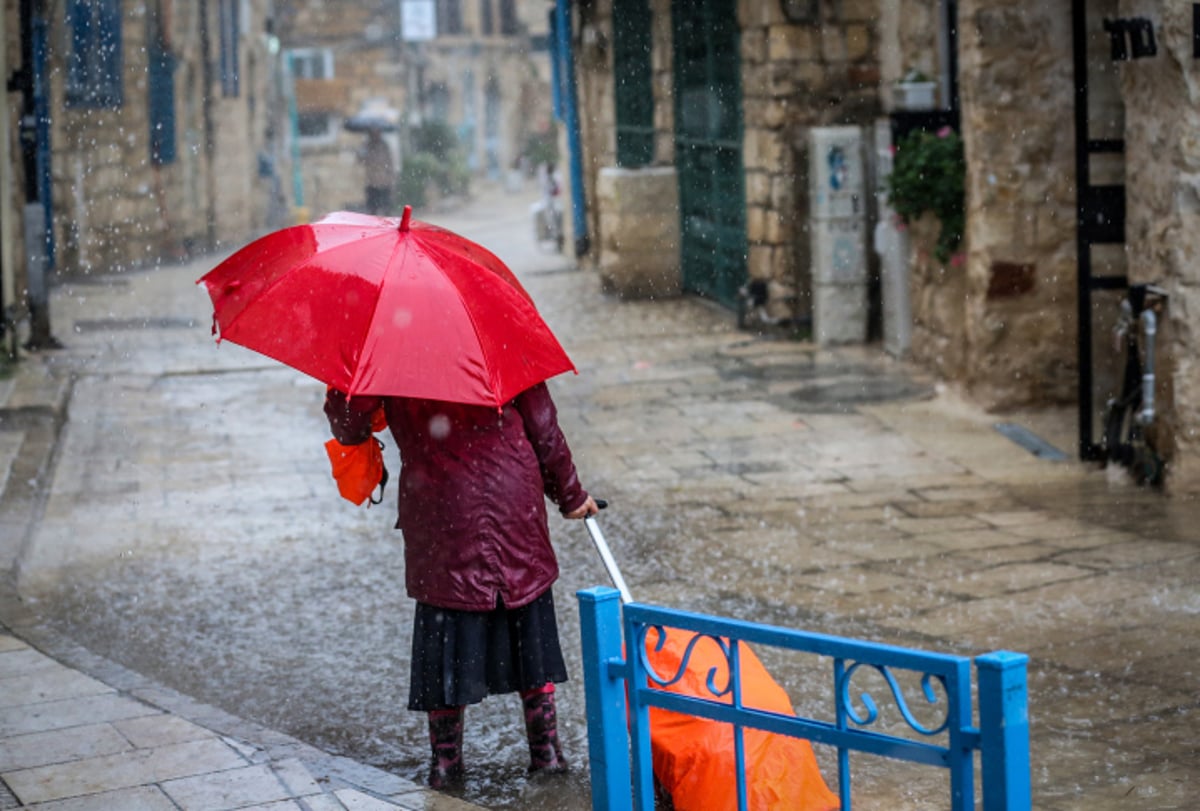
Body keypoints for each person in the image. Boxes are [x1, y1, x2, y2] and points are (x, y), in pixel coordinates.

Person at [324, 383, 599, 790]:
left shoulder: (387, 355)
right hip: (512, 504)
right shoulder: (499, 331)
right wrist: (570, 494)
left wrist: (343, 386)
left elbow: (350, 427)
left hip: (441, 512)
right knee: (528, 624)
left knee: (445, 631)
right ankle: (547, 752)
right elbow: (543, 428)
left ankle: (446, 763)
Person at [360, 128, 396, 215]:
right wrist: (362, 151)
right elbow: (360, 160)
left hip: (384, 181)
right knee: (372, 208)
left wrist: (391, 178)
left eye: (378, 132)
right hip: (371, 181)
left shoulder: (384, 146)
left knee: (386, 207)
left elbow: (389, 162)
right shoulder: (367, 146)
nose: (376, 134)